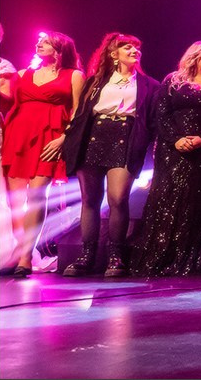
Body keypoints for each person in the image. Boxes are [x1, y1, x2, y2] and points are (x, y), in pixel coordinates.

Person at [61, 33, 159, 278]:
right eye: (127, 47)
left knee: (117, 198)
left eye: (137, 47)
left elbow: (153, 121)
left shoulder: (149, 85)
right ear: (114, 54)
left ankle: (116, 255)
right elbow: (81, 114)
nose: (134, 50)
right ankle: (87, 255)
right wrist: (66, 139)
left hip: (125, 138)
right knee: (90, 199)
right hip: (94, 137)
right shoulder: (95, 81)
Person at [134, 40, 201, 276]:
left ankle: (186, 259)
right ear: (195, 56)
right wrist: (175, 139)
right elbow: (162, 113)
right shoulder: (173, 80)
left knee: (195, 202)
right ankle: (159, 257)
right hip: (172, 150)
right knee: (166, 198)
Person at [0, 31, 83, 278]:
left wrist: (64, 139)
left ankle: (26, 257)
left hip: (50, 139)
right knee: (16, 203)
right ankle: (16, 252)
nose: (39, 44)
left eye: (45, 42)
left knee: (36, 197)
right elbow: (5, 102)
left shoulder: (74, 75)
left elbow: (78, 112)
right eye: (39, 42)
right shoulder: (23, 74)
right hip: (18, 137)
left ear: (59, 49)